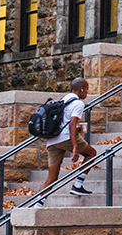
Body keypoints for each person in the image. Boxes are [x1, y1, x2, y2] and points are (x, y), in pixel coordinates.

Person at [35, 77, 96, 206]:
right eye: (87, 90)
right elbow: (72, 124)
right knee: (91, 154)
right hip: (66, 138)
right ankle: (78, 185)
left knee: (51, 178)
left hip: (53, 140)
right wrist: (74, 147)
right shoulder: (78, 103)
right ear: (81, 89)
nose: (87, 93)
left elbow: (66, 123)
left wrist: (78, 129)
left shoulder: (63, 100)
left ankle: (37, 206)